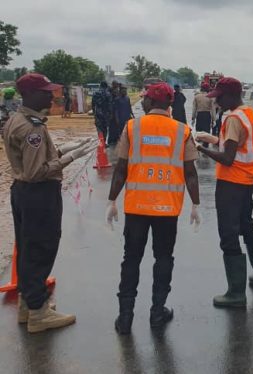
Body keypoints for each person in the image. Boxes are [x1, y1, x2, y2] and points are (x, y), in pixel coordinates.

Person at [106, 82, 201, 335]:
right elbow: (190, 173)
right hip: (167, 210)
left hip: (136, 208)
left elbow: (121, 168)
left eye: (145, 98)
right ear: (170, 103)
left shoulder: (132, 127)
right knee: (163, 258)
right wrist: (196, 204)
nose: (143, 102)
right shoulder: (182, 131)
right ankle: (157, 313)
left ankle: (125, 317)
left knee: (131, 260)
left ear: (149, 102)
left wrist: (112, 200)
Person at [2, 73, 94, 333]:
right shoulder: (32, 128)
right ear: (29, 94)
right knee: (40, 249)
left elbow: (32, 161)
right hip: (38, 192)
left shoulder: (15, 119)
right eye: (45, 91)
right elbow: (37, 171)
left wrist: (63, 149)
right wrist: (70, 158)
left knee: (28, 246)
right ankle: (38, 313)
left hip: (22, 192)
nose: (51, 96)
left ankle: (30, 303)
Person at [196, 77, 253, 308]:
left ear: (232, 96)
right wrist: (213, 139)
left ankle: (236, 293)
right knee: (247, 227)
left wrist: (200, 148)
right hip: (247, 180)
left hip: (231, 183)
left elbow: (227, 158)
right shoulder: (249, 114)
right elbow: (237, 145)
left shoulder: (233, 118)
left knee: (229, 234)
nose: (217, 102)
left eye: (220, 98)